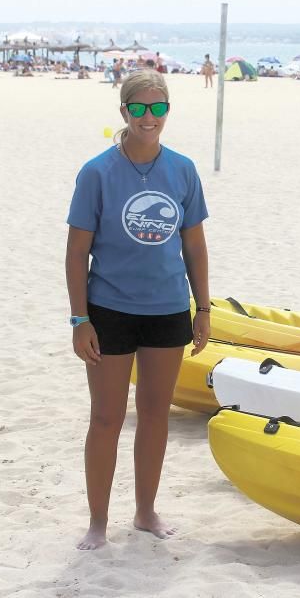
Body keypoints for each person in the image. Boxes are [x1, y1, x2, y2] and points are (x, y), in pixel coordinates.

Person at [65, 69, 211, 550]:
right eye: (140, 108)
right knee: (106, 418)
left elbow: (194, 243)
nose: (150, 118)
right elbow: (75, 252)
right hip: (109, 310)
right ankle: (98, 523)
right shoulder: (97, 172)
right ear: (124, 111)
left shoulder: (183, 170)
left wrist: (203, 308)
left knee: (154, 414)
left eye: (159, 108)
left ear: (168, 110)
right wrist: (79, 318)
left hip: (168, 309)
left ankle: (146, 511)